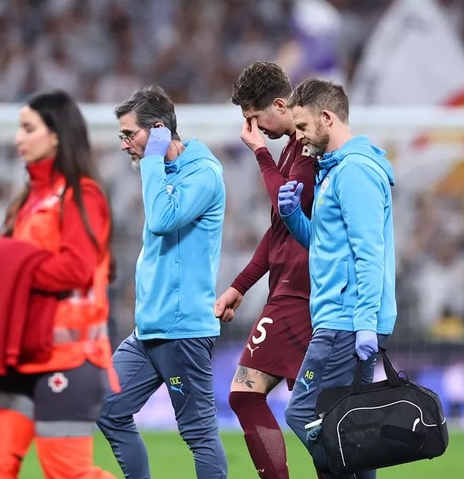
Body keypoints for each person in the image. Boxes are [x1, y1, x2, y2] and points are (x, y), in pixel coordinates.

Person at [0, 90, 118, 479]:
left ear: (56, 135)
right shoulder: (25, 202)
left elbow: (77, 271)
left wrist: (12, 270)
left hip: (68, 358)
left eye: (27, 128)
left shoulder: (81, 195)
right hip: (18, 356)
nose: (18, 137)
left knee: (68, 473)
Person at [97, 85, 228, 479]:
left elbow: (162, 218)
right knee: (108, 408)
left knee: (199, 434)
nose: (123, 145)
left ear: (157, 131)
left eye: (128, 134)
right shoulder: (165, 172)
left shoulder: (204, 174)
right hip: (149, 329)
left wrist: (153, 160)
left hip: (183, 329)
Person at [277, 78, 397, 479]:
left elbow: (369, 253)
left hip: (346, 322)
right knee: (352, 427)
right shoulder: (336, 170)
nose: (299, 137)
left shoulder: (355, 172)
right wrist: (296, 219)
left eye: (303, 126)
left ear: (326, 118)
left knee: (309, 417)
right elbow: (329, 245)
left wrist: (365, 322)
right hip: (343, 318)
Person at [213, 61, 314, 479]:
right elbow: (277, 230)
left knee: (245, 394)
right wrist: (240, 286)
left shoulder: (307, 146)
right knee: (314, 416)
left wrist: (259, 154)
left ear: (278, 103)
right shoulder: (291, 147)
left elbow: (285, 206)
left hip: (300, 292)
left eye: (254, 119)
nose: (252, 130)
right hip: (288, 289)